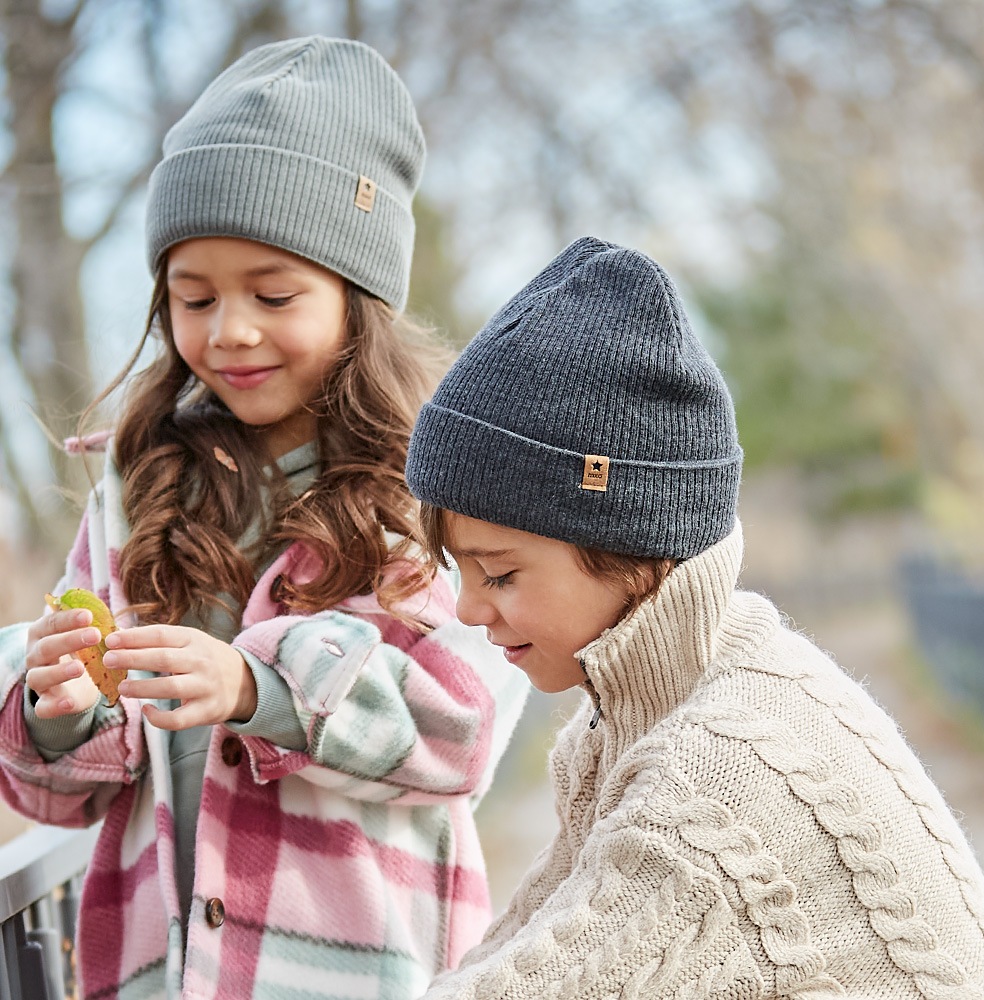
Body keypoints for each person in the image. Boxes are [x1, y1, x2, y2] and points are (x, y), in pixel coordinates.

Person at [0, 36, 527, 1000]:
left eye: (273, 293)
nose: (228, 330)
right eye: (192, 297)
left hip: (357, 972)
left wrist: (257, 688)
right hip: (159, 974)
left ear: (358, 298)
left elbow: (461, 729)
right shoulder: (138, 484)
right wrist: (60, 715)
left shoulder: (426, 484)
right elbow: (58, 800)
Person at [403, 236, 984, 998]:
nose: (468, 607)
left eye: (501, 573)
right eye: (462, 571)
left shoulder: (716, 772)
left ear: (629, 543)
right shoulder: (664, 700)